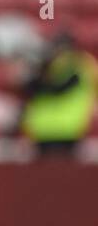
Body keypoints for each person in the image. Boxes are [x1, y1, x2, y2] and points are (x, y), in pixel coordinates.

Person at [17, 29, 97, 159]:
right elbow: (27, 89)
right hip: (42, 129)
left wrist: (37, 75)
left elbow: (58, 88)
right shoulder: (49, 65)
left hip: (68, 128)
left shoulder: (77, 65)